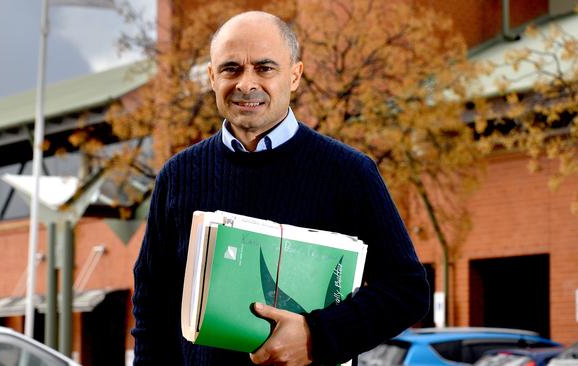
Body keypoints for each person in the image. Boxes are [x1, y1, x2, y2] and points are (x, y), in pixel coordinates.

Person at [132, 10, 429, 366]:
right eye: (231, 69)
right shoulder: (177, 176)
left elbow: (407, 289)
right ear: (211, 77)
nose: (246, 83)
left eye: (264, 67)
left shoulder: (349, 172)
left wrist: (316, 335)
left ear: (294, 76)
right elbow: (152, 306)